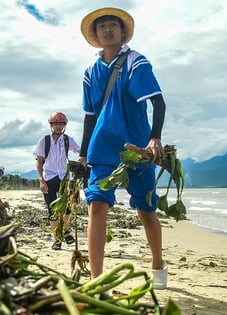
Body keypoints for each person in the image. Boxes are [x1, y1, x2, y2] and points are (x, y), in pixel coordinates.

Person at [78, 7, 168, 289]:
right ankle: (96, 280)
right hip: (102, 148)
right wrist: (82, 153)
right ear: (96, 34)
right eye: (102, 26)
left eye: (112, 25)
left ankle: (157, 263)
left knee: (146, 210)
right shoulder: (91, 71)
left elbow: (158, 102)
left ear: (122, 32)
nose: (107, 30)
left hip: (137, 147)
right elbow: (90, 115)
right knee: (97, 205)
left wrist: (155, 138)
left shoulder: (135, 62)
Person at [33, 112, 81, 250]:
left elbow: (80, 151)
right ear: (51, 125)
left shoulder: (67, 140)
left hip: (64, 178)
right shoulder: (44, 140)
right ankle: (57, 239)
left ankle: (64, 231)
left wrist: (82, 159)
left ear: (64, 126)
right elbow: (39, 161)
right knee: (52, 209)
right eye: (56, 124)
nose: (59, 127)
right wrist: (41, 180)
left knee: (67, 209)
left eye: (61, 124)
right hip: (49, 178)